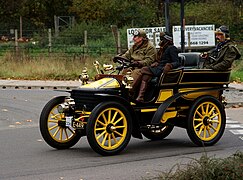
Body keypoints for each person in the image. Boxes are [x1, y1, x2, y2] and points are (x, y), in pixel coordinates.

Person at [131, 32, 181, 102]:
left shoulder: (172, 48)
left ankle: (131, 90)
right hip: (159, 67)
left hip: (164, 69)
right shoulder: (163, 49)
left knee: (143, 69)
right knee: (145, 76)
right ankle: (140, 97)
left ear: (167, 40)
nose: (161, 41)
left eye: (162, 40)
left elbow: (177, 62)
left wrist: (170, 65)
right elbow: (161, 60)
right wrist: (156, 63)